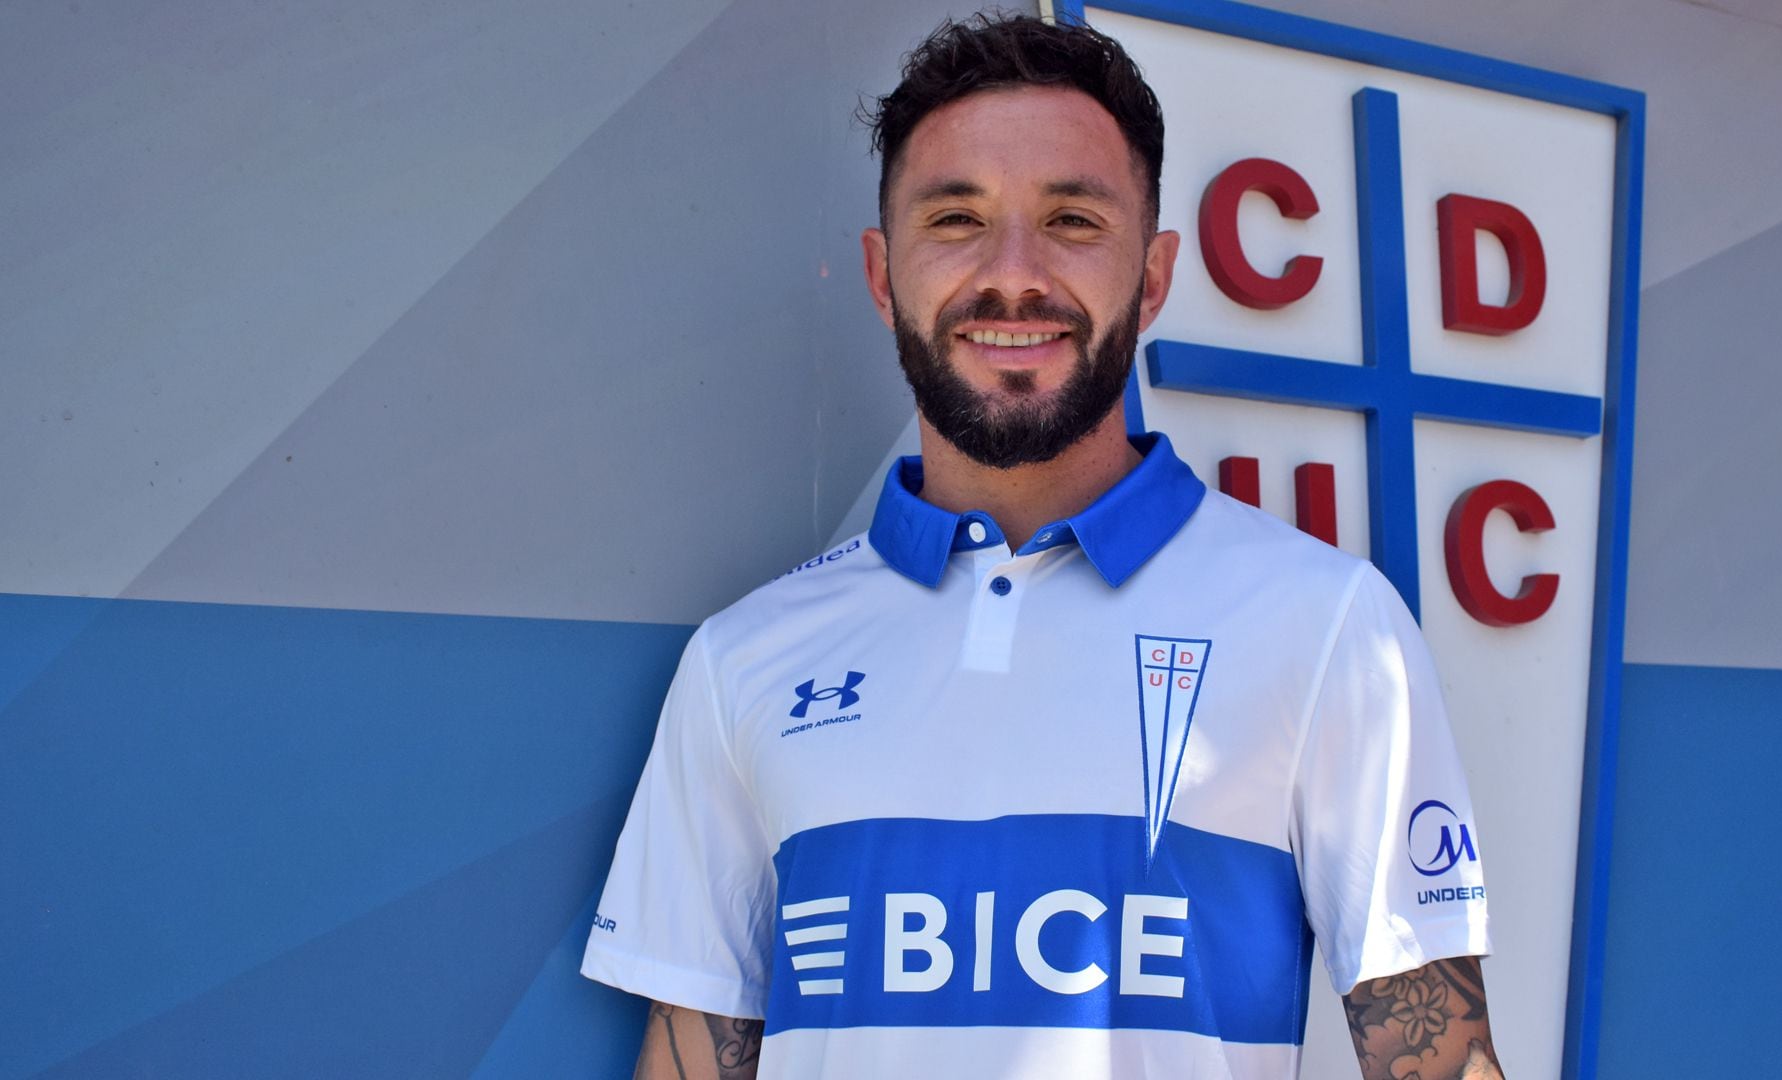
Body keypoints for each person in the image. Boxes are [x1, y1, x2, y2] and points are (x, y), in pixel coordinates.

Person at [583, 13, 1499, 1080]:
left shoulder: (1330, 627)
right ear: (883, 277)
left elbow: (1442, 1064)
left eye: (1071, 218)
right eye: (957, 217)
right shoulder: (742, 663)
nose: (1012, 273)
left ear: (1153, 278)